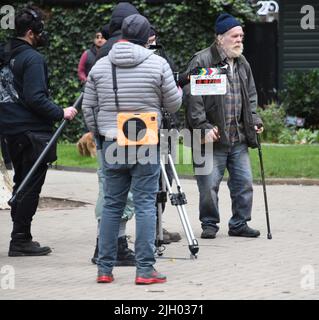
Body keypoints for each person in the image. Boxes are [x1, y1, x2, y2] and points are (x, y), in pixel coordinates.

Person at [82, 14, 182, 284]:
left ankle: (104, 269)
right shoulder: (158, 63)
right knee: (146, 204)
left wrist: (99, 135)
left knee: (112, 205)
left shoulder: (101, 66)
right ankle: (145, 270)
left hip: (112, 140)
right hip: (145, 140)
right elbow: (173, 104)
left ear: (122, 34)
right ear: (146, 36)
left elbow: (88, 107)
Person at [0, 6, 77, 256]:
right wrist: (60, 112)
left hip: (9, 130)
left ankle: (20, 236)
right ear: (32, 32)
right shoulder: (32, 58)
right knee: (29, 186)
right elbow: (35, 98)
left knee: (21, 184)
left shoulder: (4, 54)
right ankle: (20, 239)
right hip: (32, 131)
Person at [183, 13, 264, 239]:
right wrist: (202, 126)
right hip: (210, 138)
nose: (239, 40)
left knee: (244, 184)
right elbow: (192, 98)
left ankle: (239, 223)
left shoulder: (242, 63)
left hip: (237, 137)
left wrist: (254, 120)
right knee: (208, 186)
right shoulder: (202, 61)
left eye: (241, 36)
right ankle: (209, 224)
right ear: (220, 38)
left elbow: (251, 96)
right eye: (234, 36)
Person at [89, 1, 140, 266]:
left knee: (108, 188)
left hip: (105, 132)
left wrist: (95, 130)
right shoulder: (128, 49)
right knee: (125, 191)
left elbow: (91, 101)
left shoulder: (102, 51)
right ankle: (114, 245)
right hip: (130, 130)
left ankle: (105, 245)